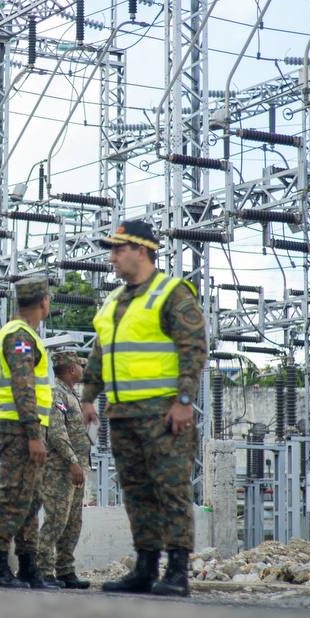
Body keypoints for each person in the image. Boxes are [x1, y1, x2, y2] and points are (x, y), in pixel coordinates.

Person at [81, 220, 207, 597]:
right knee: (137, 493)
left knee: (171, 491)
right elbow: (102, 351)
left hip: (164, 414)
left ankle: (178, 571)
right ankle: (145, 567)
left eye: (119, 249)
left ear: (142, 251)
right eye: (112, 250)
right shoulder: (113, 302)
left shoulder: (171, 293)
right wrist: (88, 395)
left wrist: (184, 401)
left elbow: (194, 348)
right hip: (122, 416)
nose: (112, 257)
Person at [0, 277, 55, 590]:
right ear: (43, 301)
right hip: (18, 427)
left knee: (31, 497)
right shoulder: (20, 336)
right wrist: (32, 433)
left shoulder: (23, 334)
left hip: (26, 425)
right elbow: (23, 384)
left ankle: (29, 566)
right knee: (14, 495)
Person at [36, 351, 92, 589]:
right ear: (71, 369)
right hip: (61, 469)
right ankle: (43, 570)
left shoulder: (71, 395)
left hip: (75, 468)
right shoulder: (55, 393)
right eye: (80, 366)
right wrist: (73, 462)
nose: (82, 369)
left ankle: (65, 570)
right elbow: (57, 434)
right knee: (56, 520)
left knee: (72, 522)